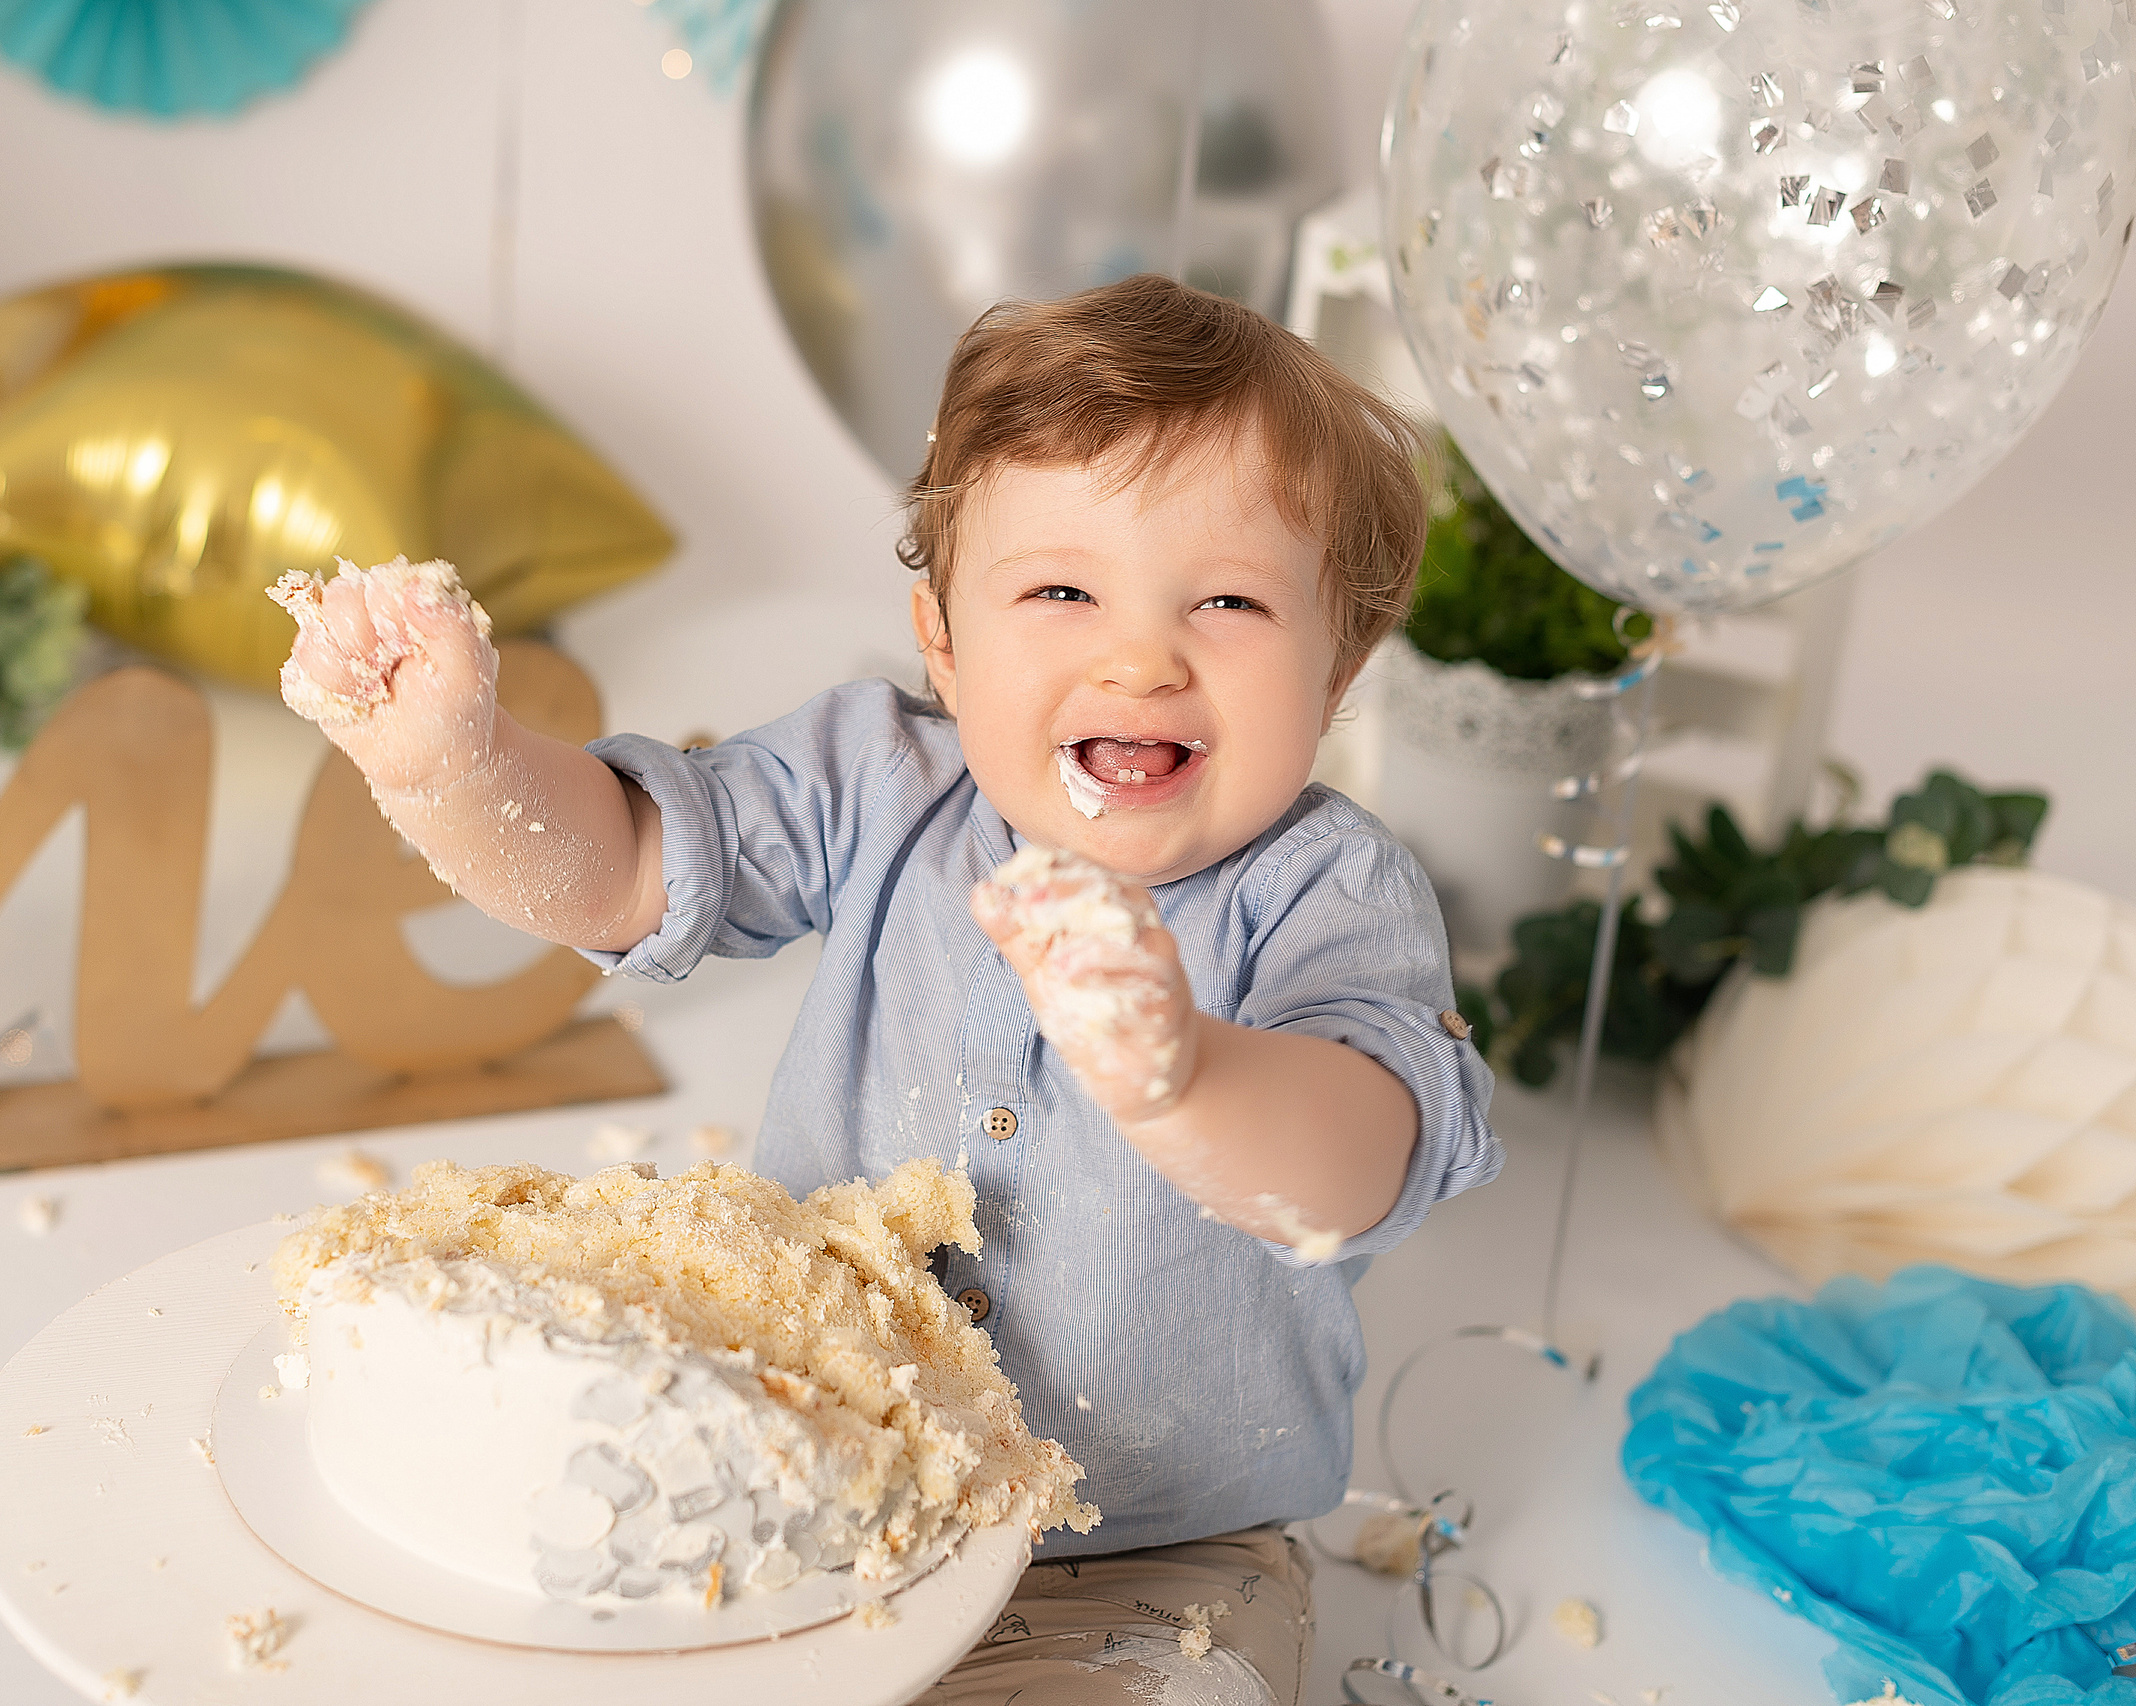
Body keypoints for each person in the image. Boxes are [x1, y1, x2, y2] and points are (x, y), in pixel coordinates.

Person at [269, 272, 1499, 1704]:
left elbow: (1360, 1156)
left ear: (1338, 665)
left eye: (1228, 600)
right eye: (1060, 589)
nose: (1141, 653)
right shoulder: (875, 780)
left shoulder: (1326, 891)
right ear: (944, 640)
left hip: (1150, 1555)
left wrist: (1186, 1076)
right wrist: (456, 769)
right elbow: (619, 867)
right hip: (799, 1476)